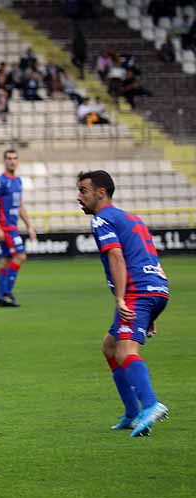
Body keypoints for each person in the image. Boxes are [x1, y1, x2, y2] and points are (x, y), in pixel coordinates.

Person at [76, 171, 171, 438]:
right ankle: (131, 413)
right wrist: (152, 311)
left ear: (101, 192)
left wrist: (120, 298)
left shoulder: (102, 219)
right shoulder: (132, 218)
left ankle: (151, 404)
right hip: (157, 288)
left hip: (137, 292)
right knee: (110, 346)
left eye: (83, 190)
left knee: (125, 351)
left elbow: (117, 257)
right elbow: (146, 254)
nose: (79, 196)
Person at [0, 149, 37, 307]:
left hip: (12, 226)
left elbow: (20, 205)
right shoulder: (1, 181)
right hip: (6, 227)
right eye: (9, 158)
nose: (12, 161)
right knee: (20, 256)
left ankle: (0, 297)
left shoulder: (18, 181)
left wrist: (29, 226)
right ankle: (7, 293)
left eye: (15, 158)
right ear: (4, 161)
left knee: (6, 260)